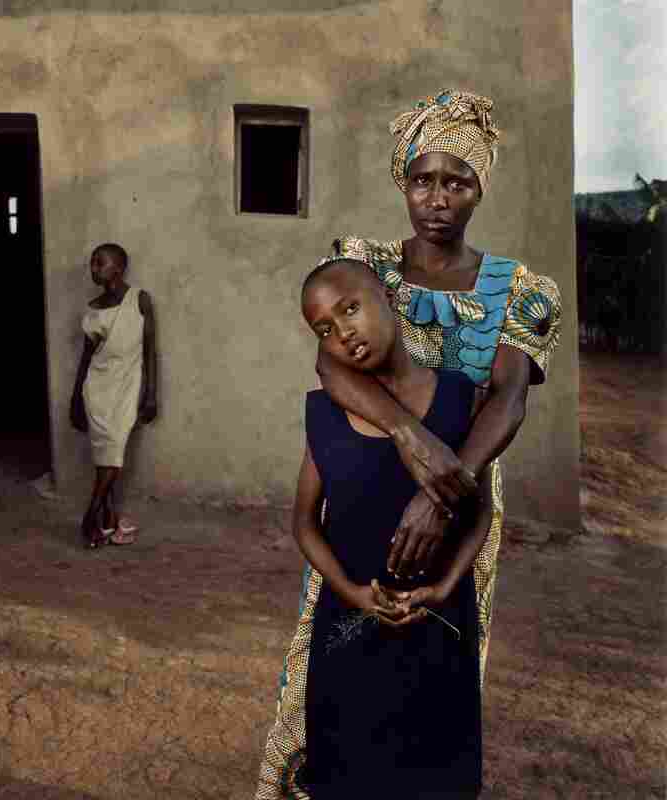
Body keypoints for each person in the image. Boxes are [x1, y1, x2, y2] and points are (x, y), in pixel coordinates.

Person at [256, 89, 561, 798]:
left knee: (435, 660)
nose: (437, 198)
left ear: (480, 186)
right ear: (404, 181)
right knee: (340, 659)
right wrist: (410, 436)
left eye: (457, 181)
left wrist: (442, 485)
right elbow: (331, 365)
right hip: (365, 487)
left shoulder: (522, 289)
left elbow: (508, 397)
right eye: (423, 179)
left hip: (460, 499)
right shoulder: (365, 265)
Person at [257, 257, 492, 799]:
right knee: (348, 773)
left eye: (350, 309)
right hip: (349, 631)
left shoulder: (459, 397)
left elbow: (479, 510)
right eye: (325, 329)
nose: (343, 333)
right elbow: (303, 521)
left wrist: (447, 585)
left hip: (439, 626)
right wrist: (351, 593)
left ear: (387, 297)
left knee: (434, 776)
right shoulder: (324, 414)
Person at [70, 243, 157, 549]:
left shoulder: (139, 300)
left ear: (118, 268)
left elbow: (150, 351)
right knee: (106, 458)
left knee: (113, 455)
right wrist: (75, 398)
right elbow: (86, 357)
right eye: (92, 263)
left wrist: (151, 393)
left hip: (127, 388)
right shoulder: (93, 310)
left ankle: (89, 517)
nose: (93, 268)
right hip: (97, 390)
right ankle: (107, 521)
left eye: (99, 263)